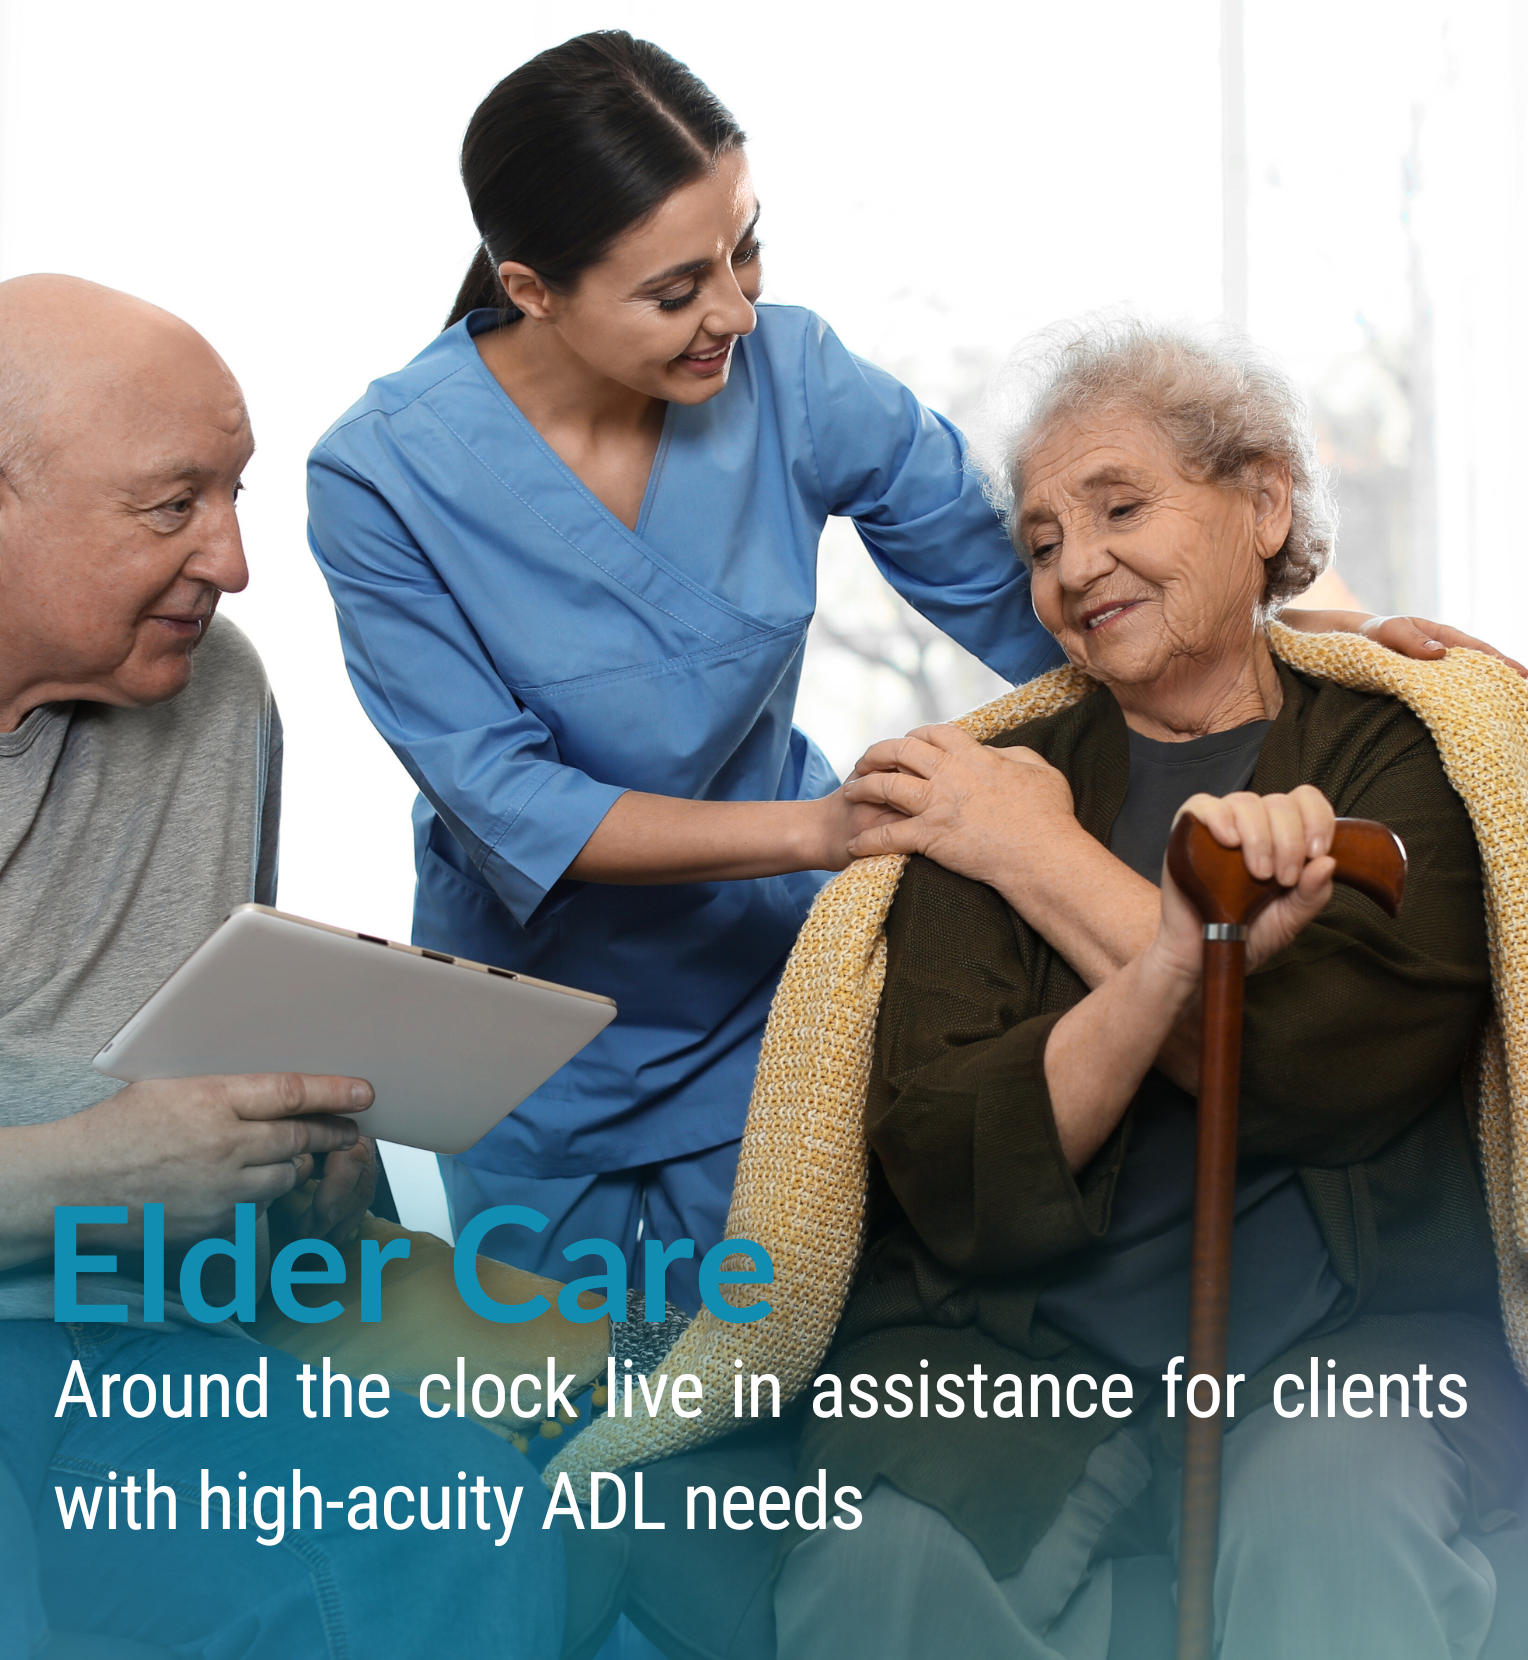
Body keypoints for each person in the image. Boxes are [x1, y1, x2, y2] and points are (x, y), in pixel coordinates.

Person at [306, 32, 1503, 1314]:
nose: (735, 311)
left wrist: (1312, 626)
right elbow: (502, 797)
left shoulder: (793, 374)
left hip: (763, 988)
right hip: (531, 1022)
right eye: (676, 289)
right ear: (533, 287)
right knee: (560, 1404)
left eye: (746, 246)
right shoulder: (378, 476)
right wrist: (822, 828)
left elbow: (1042, 576)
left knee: (773, 1378)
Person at [773, 319, 1527, 1660]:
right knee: (883, 1558)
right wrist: (1032, 852)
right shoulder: (986, 782)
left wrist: (1040, 854)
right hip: (1033, 1345)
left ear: (1263, 500)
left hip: (1359, 1337)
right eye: (1044, 542)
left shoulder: (1412, 747)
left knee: (1330, 1519)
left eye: (1121, 507)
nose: (1075, 565)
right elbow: (946, 1167)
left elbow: (1328, 1071)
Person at [0, 274, 563, 1657]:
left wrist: (280, 1156)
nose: (234, 560)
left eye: (235, 494)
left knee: (591, 1501)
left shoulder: (210, 690)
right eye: (170, 505)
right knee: (417, 1528)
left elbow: (181, 1063)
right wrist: (79, 1174)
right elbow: (104, 1152)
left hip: (167, 1328)